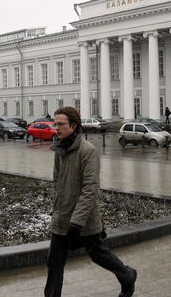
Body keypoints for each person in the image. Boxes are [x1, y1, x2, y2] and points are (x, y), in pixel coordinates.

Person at [46, 106, 137, 297]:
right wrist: (56, 210)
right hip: (61, 218)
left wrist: (76, 222)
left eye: (61, 124)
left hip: (83, 220)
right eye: (56, 124)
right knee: (54, 263)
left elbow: (90, 189)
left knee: (100, 256)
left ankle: (127, 275)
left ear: (74, 125)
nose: (57, 128)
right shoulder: (59, 149)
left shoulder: (88, 152)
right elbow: (57, 182)